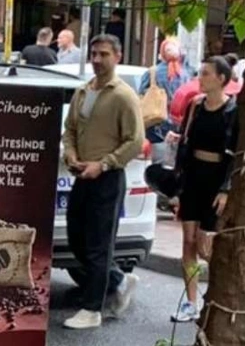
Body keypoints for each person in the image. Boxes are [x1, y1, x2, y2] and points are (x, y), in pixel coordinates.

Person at [62, 34, 143, 330]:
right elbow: (69, 130)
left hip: (107, 179)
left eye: (104, 54)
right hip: (81, 176)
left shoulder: (123, 95)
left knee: (98, 246)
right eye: (94, 54)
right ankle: (118, 280)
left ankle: (92, 309)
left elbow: (135, 141)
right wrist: (71, 154)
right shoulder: (83, 91)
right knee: (77, 240)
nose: (97, 60)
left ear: (117, 57)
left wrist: (104, 164)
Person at [165, 55, 239, 323]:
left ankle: (216, 295)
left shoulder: (232, 111)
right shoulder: (195, 106)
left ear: (221, 79)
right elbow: (185, 144)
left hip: (215, 178)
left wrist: (226, 189)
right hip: (193, 177)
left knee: (206, 245)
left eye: (206, 74)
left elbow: (235, 153)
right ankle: (190, 301)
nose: (200, 78)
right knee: (188, 240)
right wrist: (177, 185)